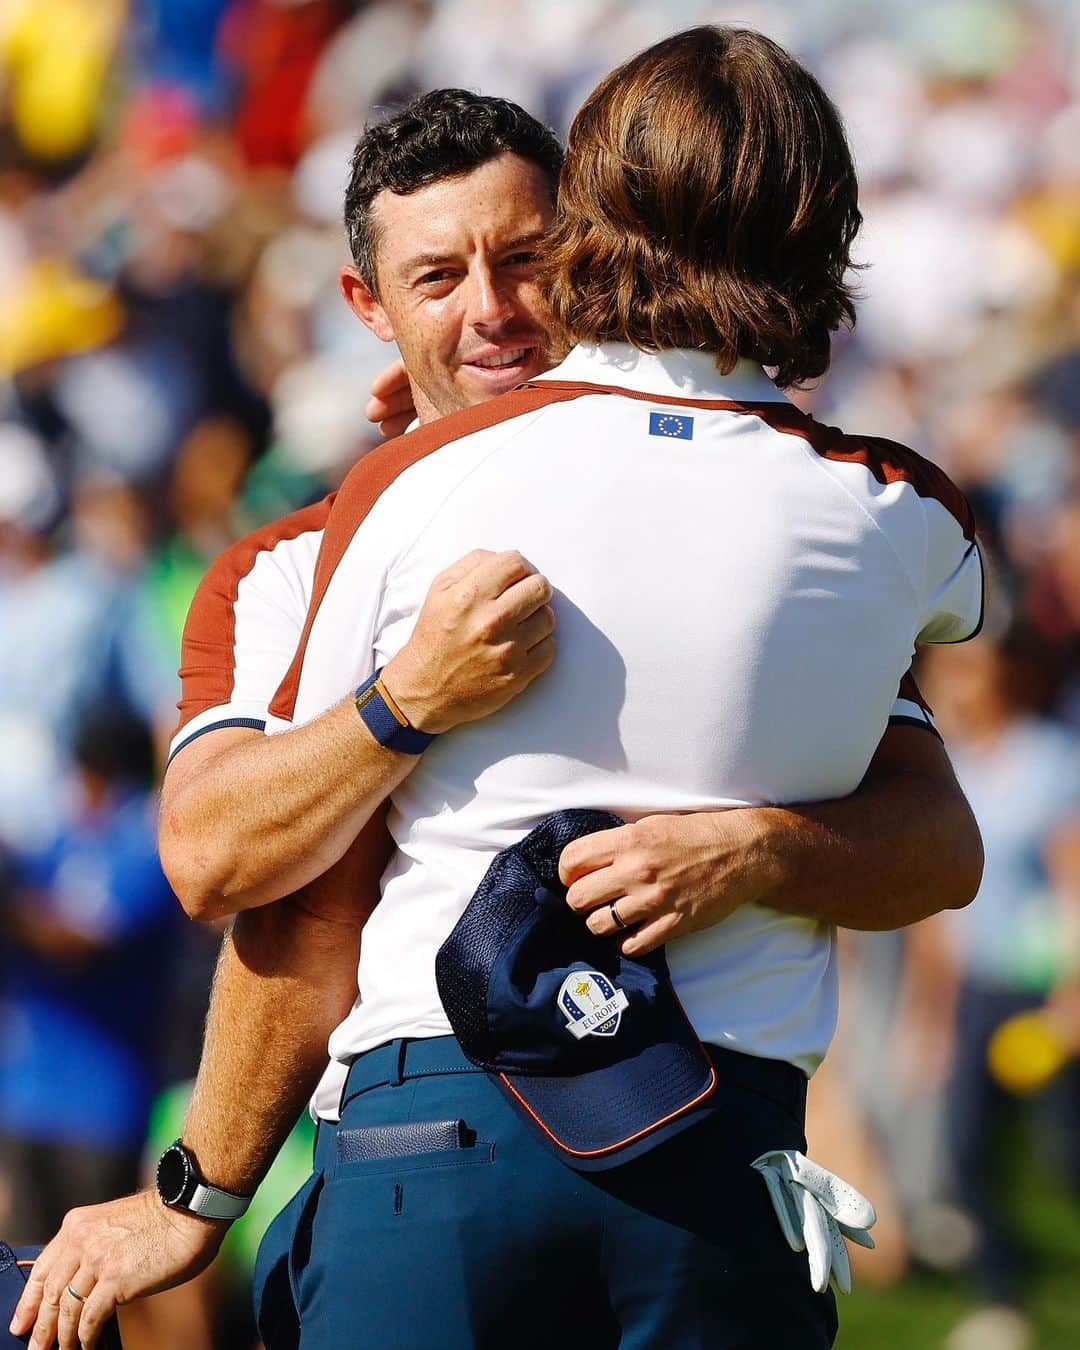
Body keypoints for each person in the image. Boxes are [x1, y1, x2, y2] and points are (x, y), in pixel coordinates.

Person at [13, 61, 983, 1350]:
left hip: (606, 1154)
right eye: (436, 277)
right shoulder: (300, 553)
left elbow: (937, 844)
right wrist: (402, 702)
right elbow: (232, 868)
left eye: (525, 259)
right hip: (500, 1129)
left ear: (588, 248)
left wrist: (761, 849)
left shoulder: (770, 511)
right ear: (364, 303)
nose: (493, 312)